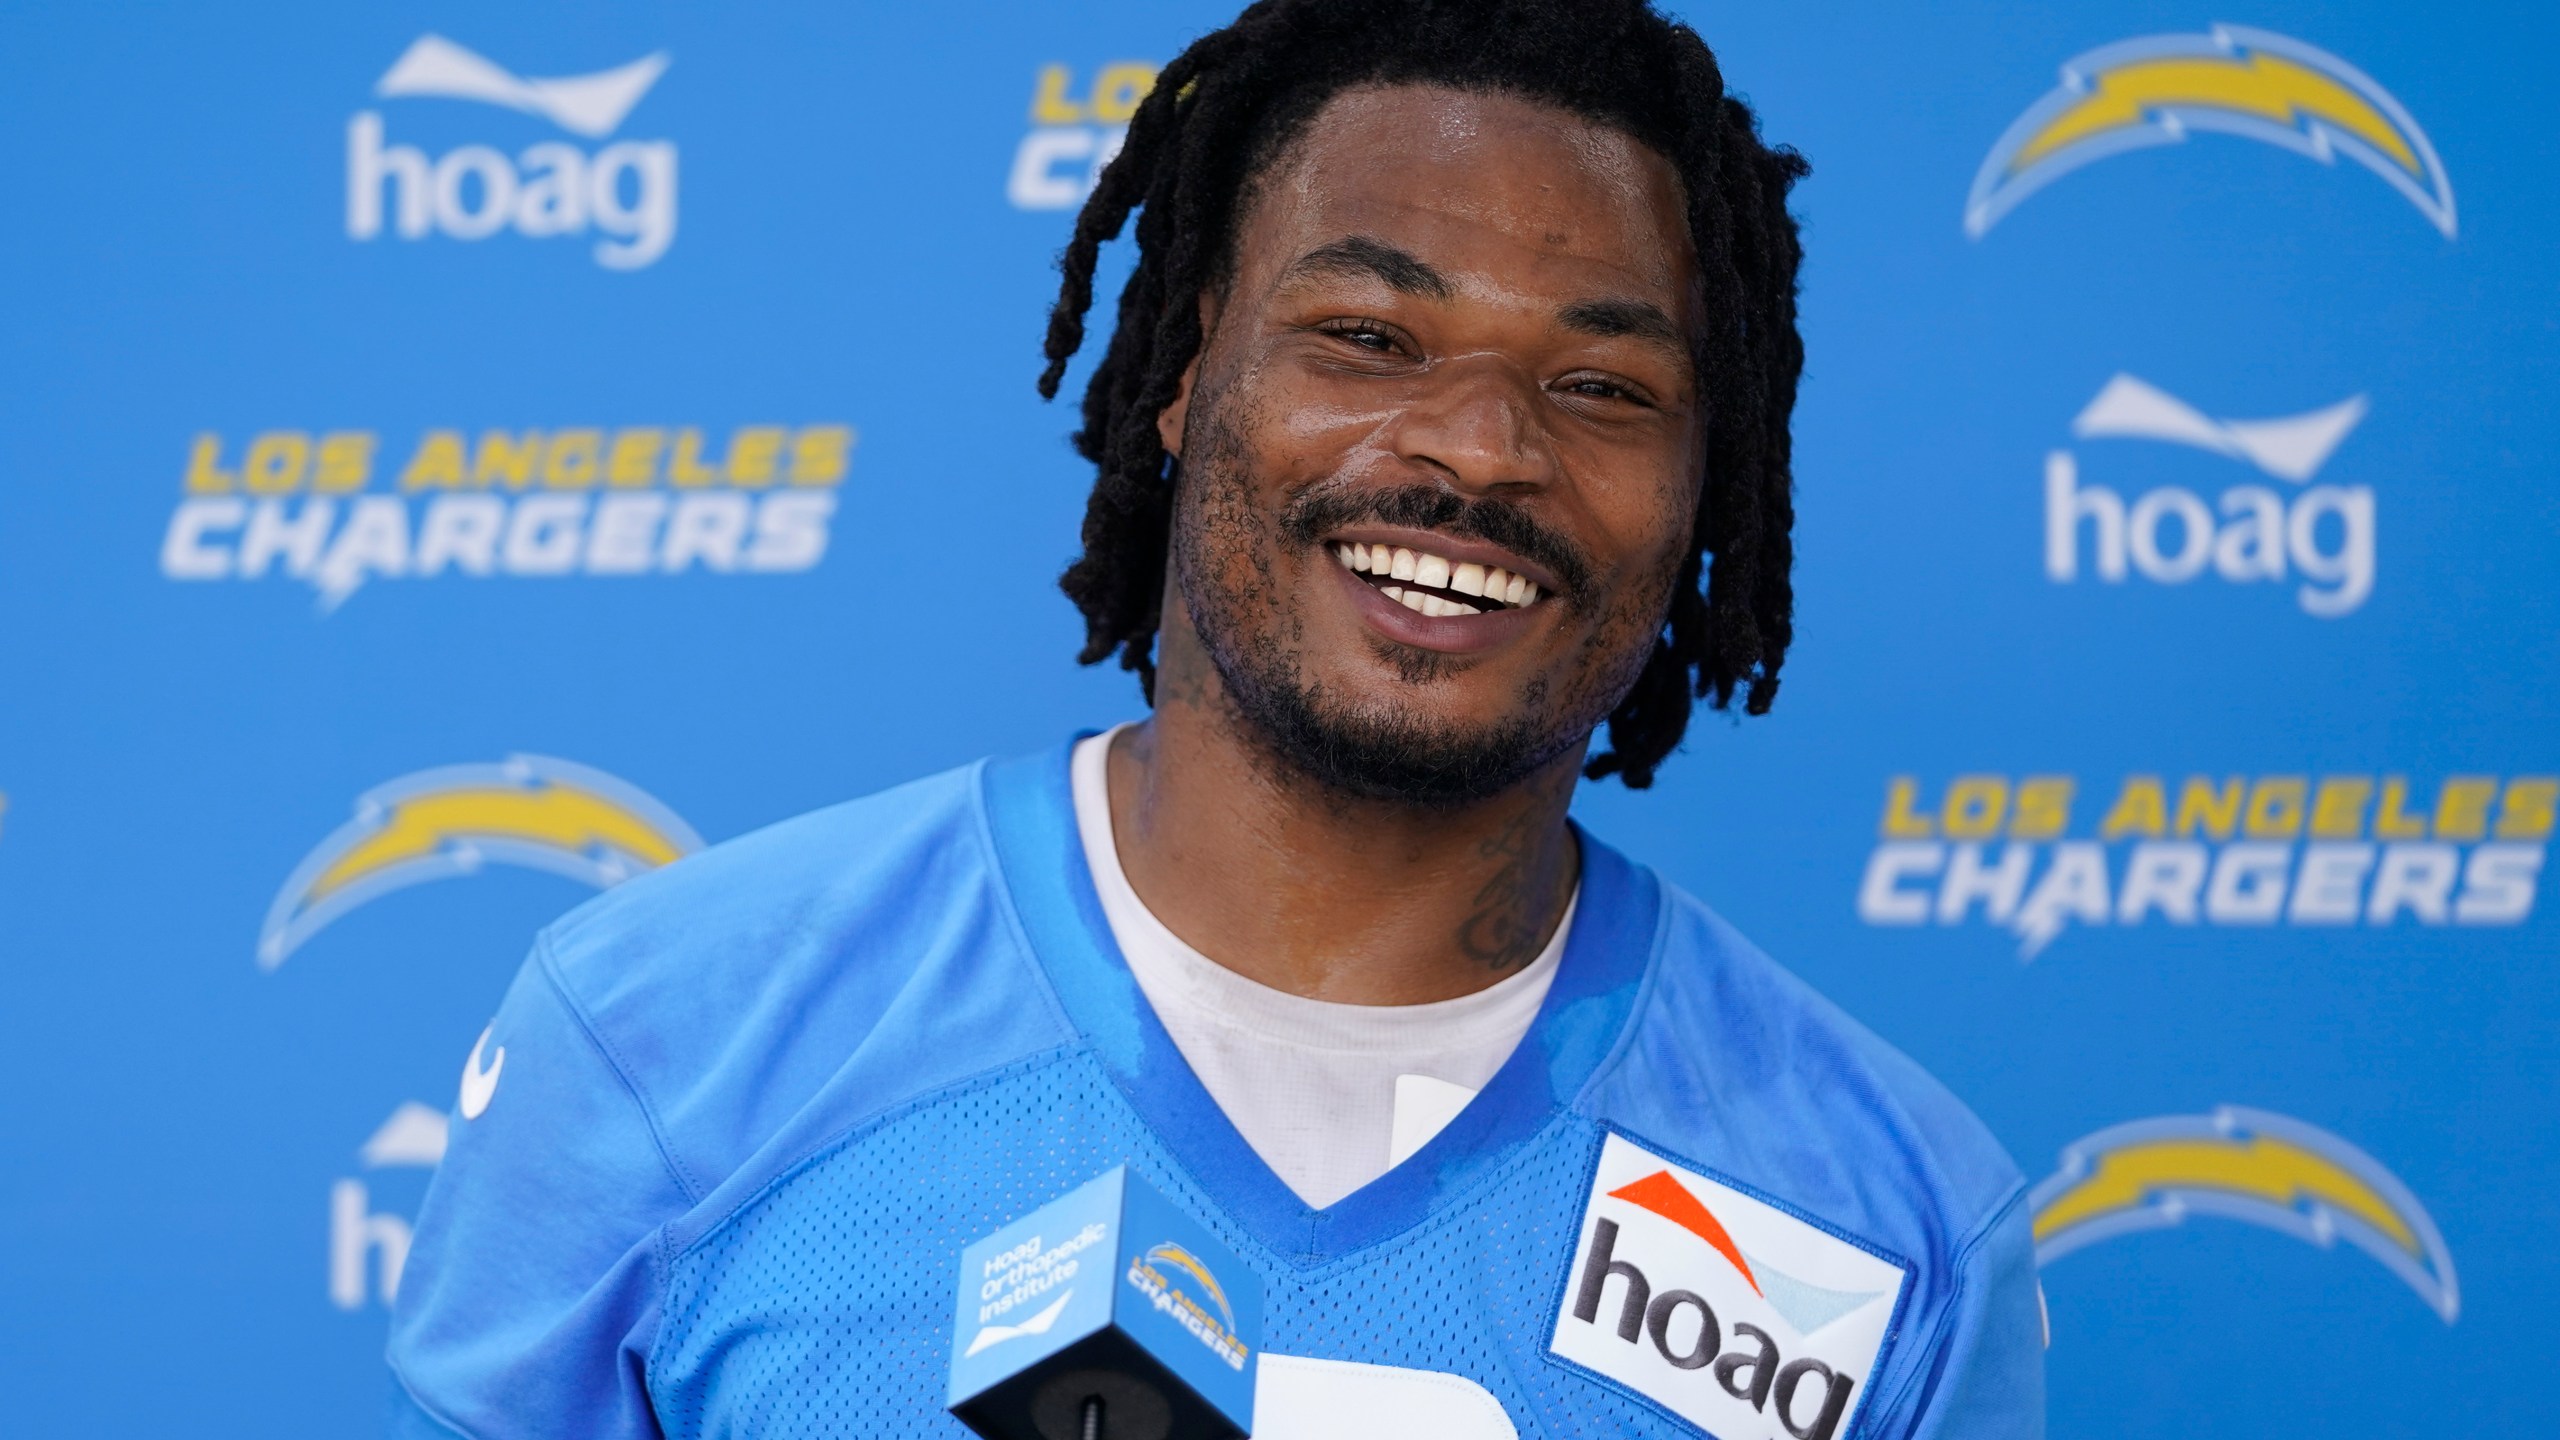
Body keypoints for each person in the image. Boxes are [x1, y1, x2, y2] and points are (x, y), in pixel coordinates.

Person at [387, 1, 2045, 1435]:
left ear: (1706, 481)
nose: (1478, 446)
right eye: (1368, 335)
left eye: (1601, 387)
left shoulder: (1887, 1219)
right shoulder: (674, 1044)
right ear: (1185, 376)